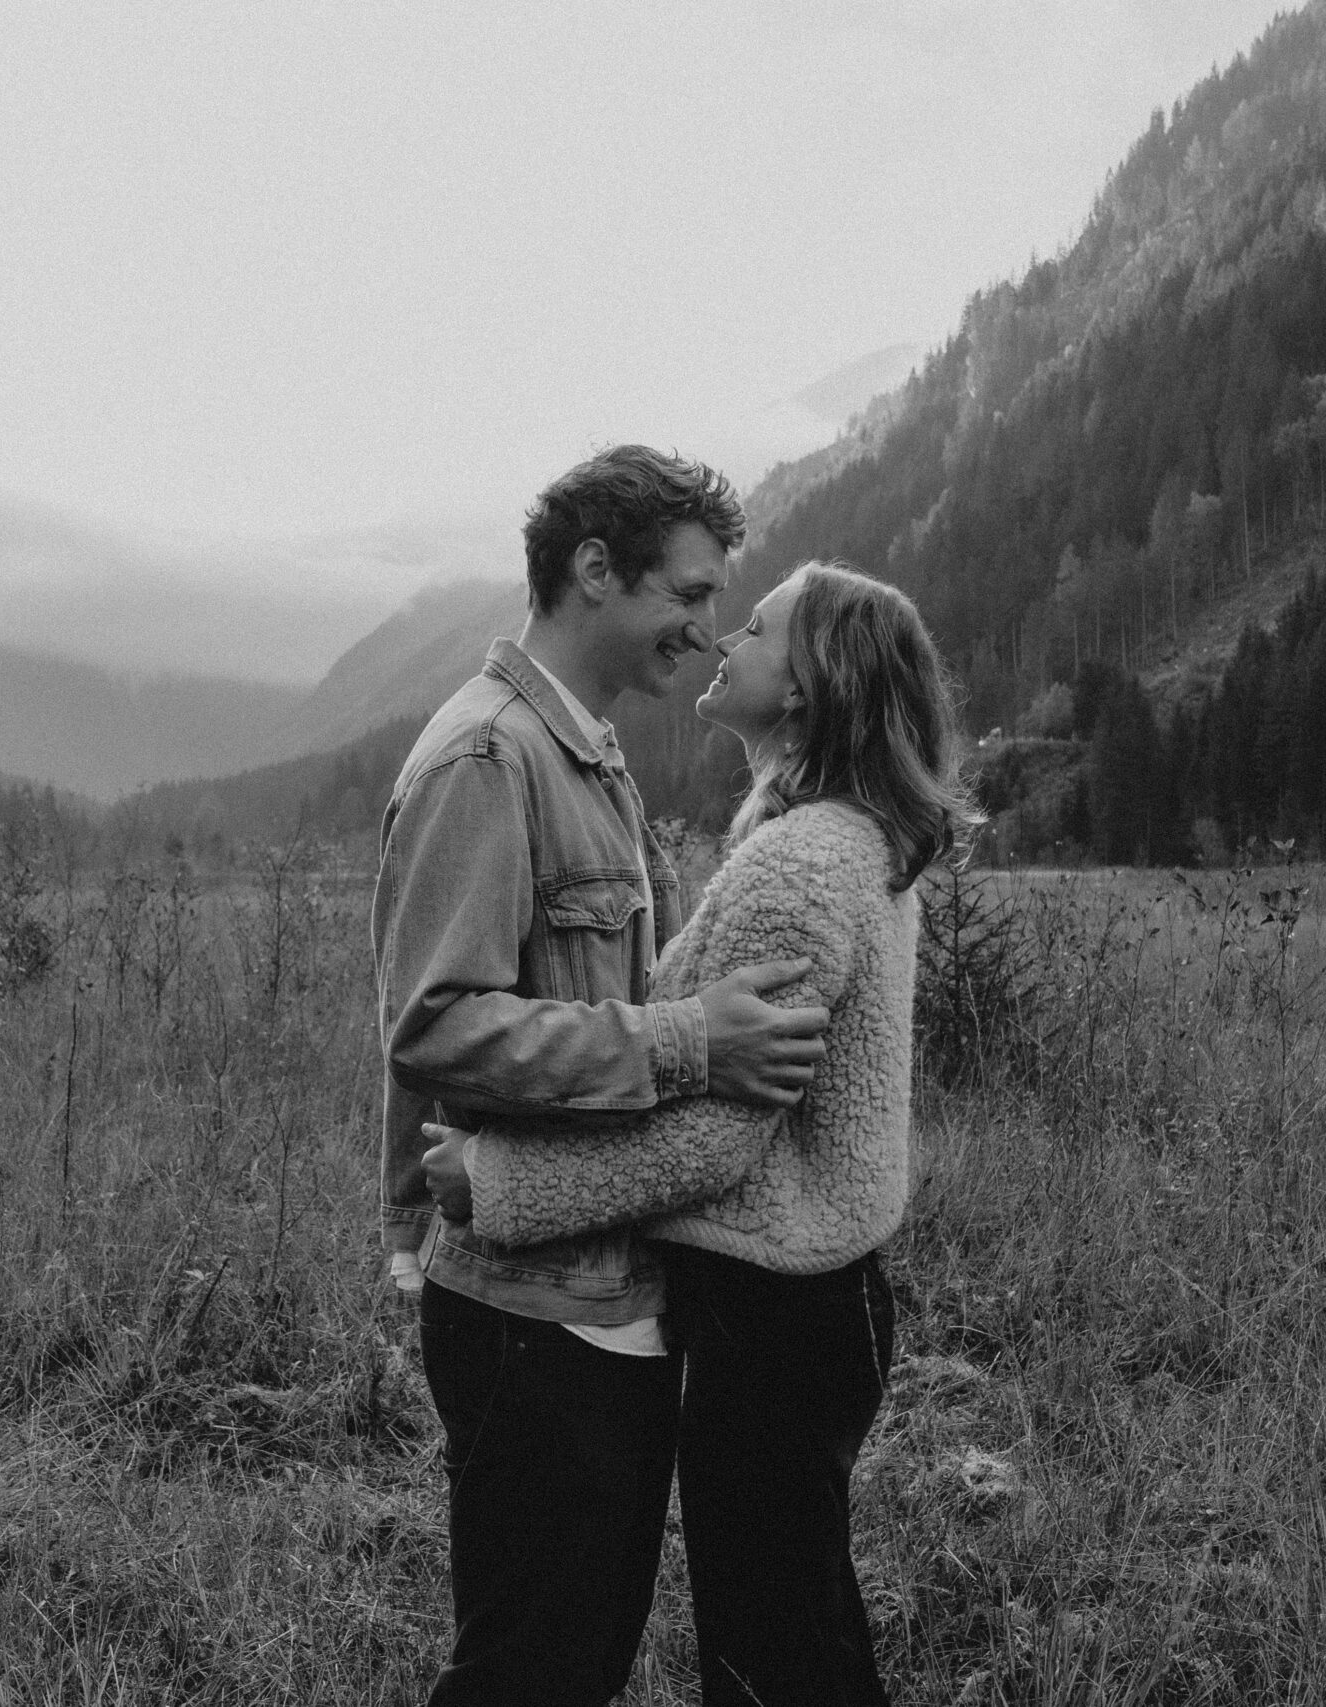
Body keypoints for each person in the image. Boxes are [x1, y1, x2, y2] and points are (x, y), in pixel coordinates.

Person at [425, 560, 979, 1707]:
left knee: (769, 1649)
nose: (726, 638)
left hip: (773, 1314)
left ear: (807, 686)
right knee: (803, 1624)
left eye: (759, 629)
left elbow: (717, 1140)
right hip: (820, 1302)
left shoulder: (798, 862)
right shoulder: (851, 839)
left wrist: (497, 1180)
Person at [372, 446, 835, 1707]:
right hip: (534, 1315)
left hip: (606, 1291)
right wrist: (690, 1042)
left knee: (572, 1666)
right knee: (530, 1674)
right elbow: (436, 1028)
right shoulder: (487, 760)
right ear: (593, 570)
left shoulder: (587, 753)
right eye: (686, 593)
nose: (707, 626)